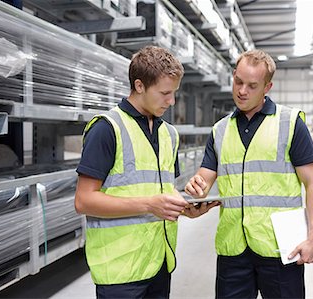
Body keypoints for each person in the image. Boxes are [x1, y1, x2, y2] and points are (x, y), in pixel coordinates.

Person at [74, 45, 216, 299]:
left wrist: (185, 207)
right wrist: (150, 205)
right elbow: (84, 200)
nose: (171, 101)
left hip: (159, 261)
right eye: (164, 93)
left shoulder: (168, 134)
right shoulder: (107, 129)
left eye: (174, 93)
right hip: (121, 270)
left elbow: (160, 189)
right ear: (139, 86)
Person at [184, 49, 313, 299]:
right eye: (238, 81)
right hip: (233, 248)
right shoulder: (220, 130)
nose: (242, 91)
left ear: (267, 87)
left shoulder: (290, 123)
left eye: (252, 85)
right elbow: (204, 179)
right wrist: (196, 190)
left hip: (281, 247)